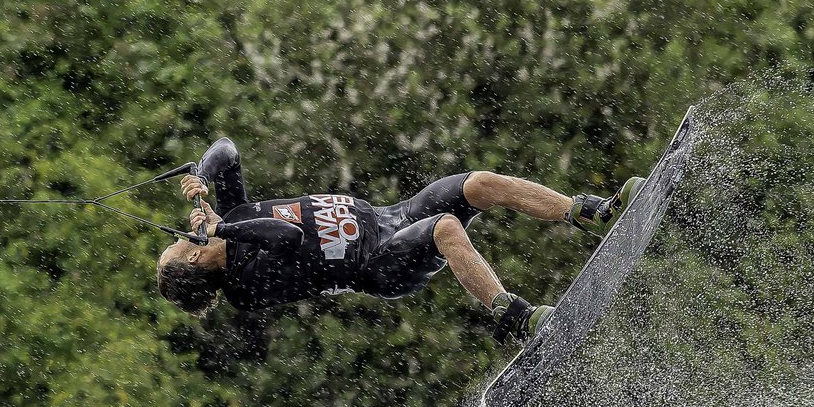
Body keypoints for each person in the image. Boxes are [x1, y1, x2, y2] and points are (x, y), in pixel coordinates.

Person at [155, 137, 643, 340]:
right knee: (447, 229)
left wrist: (201, 177)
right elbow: (286, 235)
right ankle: (516, 319)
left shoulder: (233, 216)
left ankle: (590, 213)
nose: (183, 234)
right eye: (180, 244)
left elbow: (226, 150)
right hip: (380, 265)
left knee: (480, 184)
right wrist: (219, 226)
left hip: (395, 214)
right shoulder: (245, 285)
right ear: (195, 260)